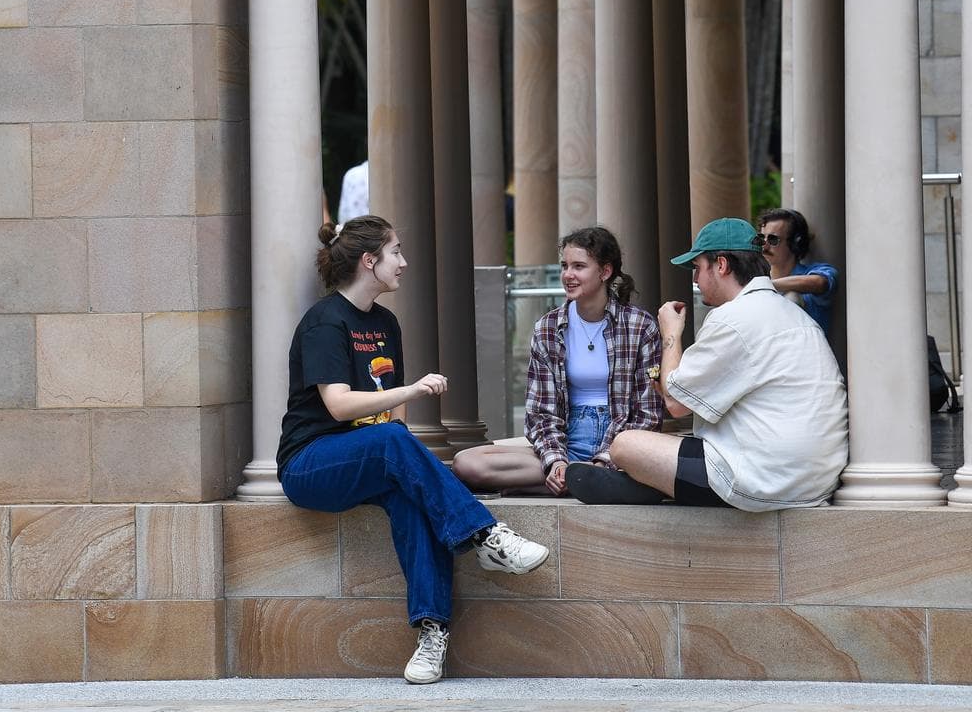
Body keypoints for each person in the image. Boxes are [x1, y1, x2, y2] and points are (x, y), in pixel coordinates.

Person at [277, 214, 550, 686]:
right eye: (396, 252)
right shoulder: (325, 321)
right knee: (392, 443)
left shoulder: (385, 322)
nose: (403, 262)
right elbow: (338, 405)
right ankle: (487, 536)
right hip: (311, 463)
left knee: (412, 497)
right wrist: (414, 390)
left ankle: (432, 631)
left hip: (371, 455)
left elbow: (392, 418)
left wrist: (413, 457)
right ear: (369, 260)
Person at [568, 218, 848, 511]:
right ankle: (647, 484)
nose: (695, 280)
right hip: (814, 480)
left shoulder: (734, 319)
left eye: (698, 268)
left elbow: (676, 403)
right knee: (673, 443)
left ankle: (647, 485)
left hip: (763, 481)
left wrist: (671, 333)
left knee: (626, 444)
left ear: (721, 265)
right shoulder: (795, 315)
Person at [453, 227, 663, 495]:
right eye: (564, 266)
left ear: (605, 272)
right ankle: (579, 480)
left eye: (579, 266)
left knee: (647, 461)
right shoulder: (548, 327)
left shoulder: (640, 325)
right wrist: (556, 461)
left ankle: (579, 480)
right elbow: (540, 411)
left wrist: (605, 460)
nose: (568, 275)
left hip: (623, 446)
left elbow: (648, 413)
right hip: (568, 442)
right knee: (467, 463)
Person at [757, 207, 838, 336]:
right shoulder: (756, 279)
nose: (764, 246)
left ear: (796, 243)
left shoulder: (814, 273)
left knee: (792, 297)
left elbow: (820, 282)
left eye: (773, 240)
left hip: (805, 347)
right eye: (761, 238)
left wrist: (766, 285)